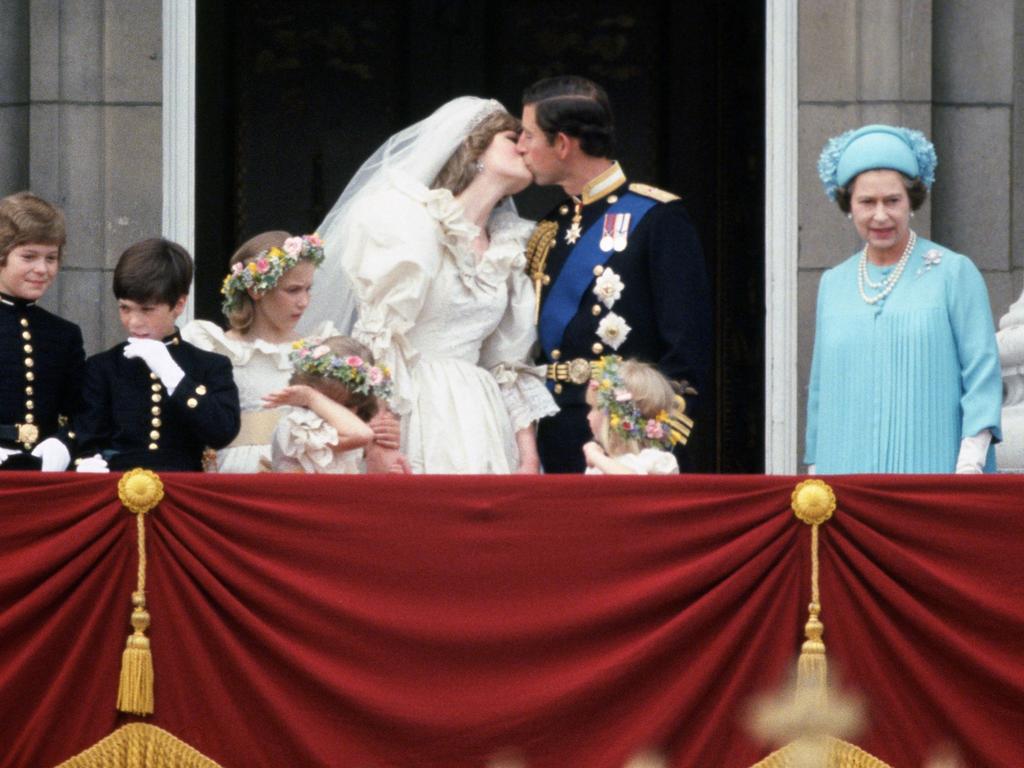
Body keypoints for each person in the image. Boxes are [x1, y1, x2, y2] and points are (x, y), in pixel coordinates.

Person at [305, 96, 557, 473]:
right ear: (474, 149)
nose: (525, 146)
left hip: (481, 416)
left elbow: (507, 363)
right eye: (512, 137)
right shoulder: (409, 221)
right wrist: (379, 435)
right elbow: (381, 337)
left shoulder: (511, 245)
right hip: (413, 406)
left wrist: (528, 455)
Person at [517, 75, 711, 473]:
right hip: (558, 434)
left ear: (563, 144)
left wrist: (652, 442)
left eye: (528, 135)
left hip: (631, 443)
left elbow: (686, 350)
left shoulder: (657, 218)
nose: (521, 147)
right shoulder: (550, 228)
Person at [807, 124, 1003, 473]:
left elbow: (982, 375)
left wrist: (970, 460)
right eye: (867, 202)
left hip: (935, 470)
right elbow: (822, 391)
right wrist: (817, 470)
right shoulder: (833, 283)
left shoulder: (954, 273)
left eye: (892, 201)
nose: (880, 215)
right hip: (846, 473)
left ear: (912, 201)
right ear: (848, 205)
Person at [182, 231, 356, 471]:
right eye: (293, 290)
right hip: (236, 471)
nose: (304, 301)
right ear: (256, 290)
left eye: (308, 289)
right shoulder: (215, 348)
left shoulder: (318, 349)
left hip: (299, 472)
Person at [74, 238, 241, 471]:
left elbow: (222, 432)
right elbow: (86, 438)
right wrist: (87, 463)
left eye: (147, 310)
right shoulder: (103, 367)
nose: (133, 321)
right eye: (125, 308)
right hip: (118, 489)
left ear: (179, 305)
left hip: (182, 492)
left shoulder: (210, 365)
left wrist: (174, 377)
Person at [0, 192, 84, 472]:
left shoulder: (63, 334)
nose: (42, 269)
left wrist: (64, 443)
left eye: (51, 258)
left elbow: (82, 412)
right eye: (29, 256)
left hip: (44, 477)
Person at [266, 336, 390, 473]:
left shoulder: (349, 427)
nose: (340, 413)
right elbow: (362, 435)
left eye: (349, 406)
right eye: (330, 403)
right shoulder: (299, 426)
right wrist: (310, 397)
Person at [582, 355, 681, 475]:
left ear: (617, 417)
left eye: (593, 408)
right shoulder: (600, 463)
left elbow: (632, 482)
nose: (588, 416)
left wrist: (595, 456)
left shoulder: (657, 460)